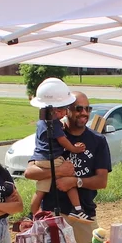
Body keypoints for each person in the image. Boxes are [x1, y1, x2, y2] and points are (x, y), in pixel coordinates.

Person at [25, 91, 112, 243]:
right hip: (51, 214)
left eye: (88, 108)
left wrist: (74, 181)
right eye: (79, 108)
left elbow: (102, 181)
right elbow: (29, 172)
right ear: (67, 109)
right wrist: (58, 170)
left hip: (82, 215)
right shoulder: (52, 134)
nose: (84, 113)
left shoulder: (98, 141)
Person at [27, 79, 91, 224]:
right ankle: (78, 209)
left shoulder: (42, 122)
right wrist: (75, 149)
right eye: (63, 110)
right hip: (54, 159)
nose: (64, 113)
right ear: (54, 110)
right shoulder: (54, 124)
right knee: (69, 177)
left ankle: (31, 214)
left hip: (40, 159)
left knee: (40, 190)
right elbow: (62, 140)